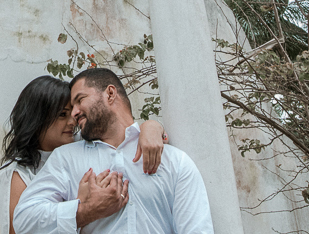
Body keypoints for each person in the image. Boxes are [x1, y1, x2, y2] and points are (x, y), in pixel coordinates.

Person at [12, 68, 214, 234]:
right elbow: (24, 220)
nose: (74, 114)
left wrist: (152, 125)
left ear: (110, 93)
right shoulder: (66, 158)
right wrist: (87, 211)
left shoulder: (174, 161)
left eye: (80, 100)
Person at [0, 75, 168, 234]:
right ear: (37, 119)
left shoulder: (81, 146)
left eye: (73, 112)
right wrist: (80, 204)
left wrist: (151, 126)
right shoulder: (19, 174)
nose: (73, 121)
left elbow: (122, 136)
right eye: (62, 115)